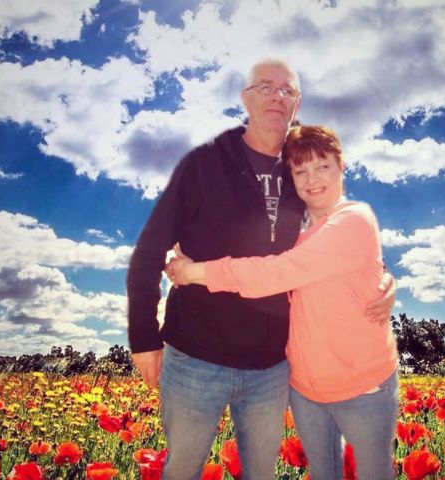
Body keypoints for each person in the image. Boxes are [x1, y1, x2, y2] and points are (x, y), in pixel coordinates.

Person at [126, 59, 395, 480]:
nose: (276, 96)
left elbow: (319, 246)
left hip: (270, 367)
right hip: (196, 358)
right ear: (245, 98)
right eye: (265, 87)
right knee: (182, 470)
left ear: (297, 103)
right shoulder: (204, 164)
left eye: (287, 90)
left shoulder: (296, 166)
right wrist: (143, 336)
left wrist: (382, 280)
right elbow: (148, 248)